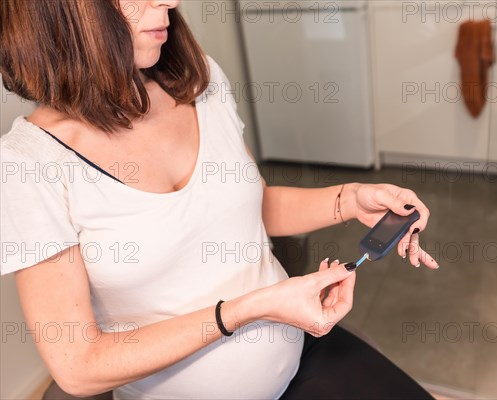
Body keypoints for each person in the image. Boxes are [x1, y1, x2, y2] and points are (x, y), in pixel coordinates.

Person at [0, 1, 439, 399]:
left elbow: (251, 206)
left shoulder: (199, 83)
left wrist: (350, 200)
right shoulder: (29, 163)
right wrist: (251, 309)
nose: (170, 2)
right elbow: (78, 366)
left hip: (297, 356)